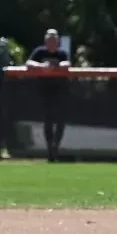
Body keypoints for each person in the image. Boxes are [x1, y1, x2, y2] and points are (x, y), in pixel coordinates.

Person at [26, 29, 71, 162]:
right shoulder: (40, 52)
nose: (52, 42)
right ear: (46, 41)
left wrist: (56, 66)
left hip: (60, 91)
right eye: (49, 40)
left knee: (61, 121)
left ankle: (56, 146)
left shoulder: (61, 53)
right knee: (48, 120)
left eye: (54, 40)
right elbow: (29, 63)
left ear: (57, 42)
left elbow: (67, 63)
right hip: (44, 91)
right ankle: (50, 149)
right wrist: (41, 66)